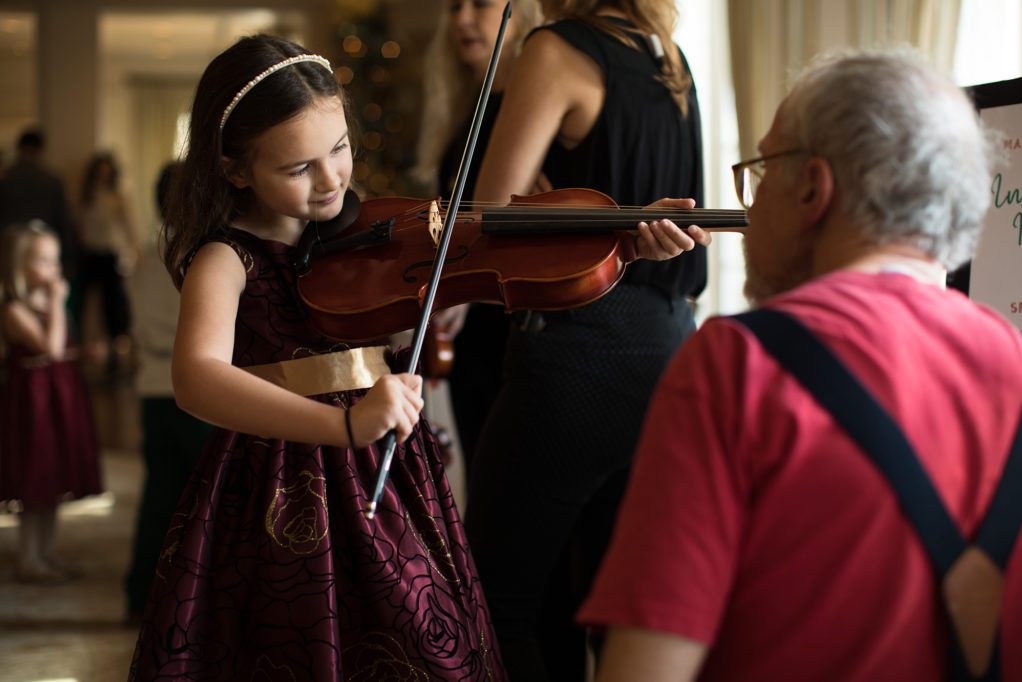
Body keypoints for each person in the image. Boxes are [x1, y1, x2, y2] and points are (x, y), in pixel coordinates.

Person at [577, 49, 1022, 682]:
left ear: (814, 186)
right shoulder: (1018, 369)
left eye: (760, 171)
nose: (749, 208)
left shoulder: (738, 363)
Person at [127, 34, 505, 681]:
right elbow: (196, 380)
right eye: (299, 168)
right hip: (280, 488)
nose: (331, 179)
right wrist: (343, 425)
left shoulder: (354, 237)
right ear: (235, 170)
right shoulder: (227, 259)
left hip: (388, 474)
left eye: (339, 150)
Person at [465, 0, 709, 678]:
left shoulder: (554, 49)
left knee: (492, 603)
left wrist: (542, 208)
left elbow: (489, 222)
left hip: (582, 348)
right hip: (668, 345)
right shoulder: (670, 59)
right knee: (605, 604)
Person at [415, 0, 542, 477]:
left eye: (481, 4)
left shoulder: (529, 109)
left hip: (508, 325)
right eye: (453, 6)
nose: (462, 19)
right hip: (470, 323)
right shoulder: (473, 106)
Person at [122, 161, 212, 623]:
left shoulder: (144, 248)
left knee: (159, 492)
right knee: (202, 499)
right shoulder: (200, 251)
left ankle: (140, 596)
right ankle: (191, 602)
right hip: (190, 386)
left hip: (152, 386)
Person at [0, 220, 102, 584]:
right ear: (19, 265)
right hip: (33, 407)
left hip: (60, 400)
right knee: (35, 479)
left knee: (54, 479)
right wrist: (59, 302)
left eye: (56, 260)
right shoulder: (14, 309)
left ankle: (47, 553)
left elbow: (63, 353)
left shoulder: (50, 304)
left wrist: (84, 353)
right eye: (43, 260)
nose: (54, 269)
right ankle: (29, 558)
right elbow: (51, 347)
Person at [76, 151, 141, 373]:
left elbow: (129, 227)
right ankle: (87, 352)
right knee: (87, 306)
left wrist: (136, 253)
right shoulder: (87, 196)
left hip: (111, 255)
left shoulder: (118, 196)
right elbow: (81, 226)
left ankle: (116, 354)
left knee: (113, 307)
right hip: (91, 255)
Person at [0, 130, 78, 278]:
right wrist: (68, 258)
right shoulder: (52, 181)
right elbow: (63, 220)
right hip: (42, 249)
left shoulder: (5, 179)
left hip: (8, 248)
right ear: (41, 150)